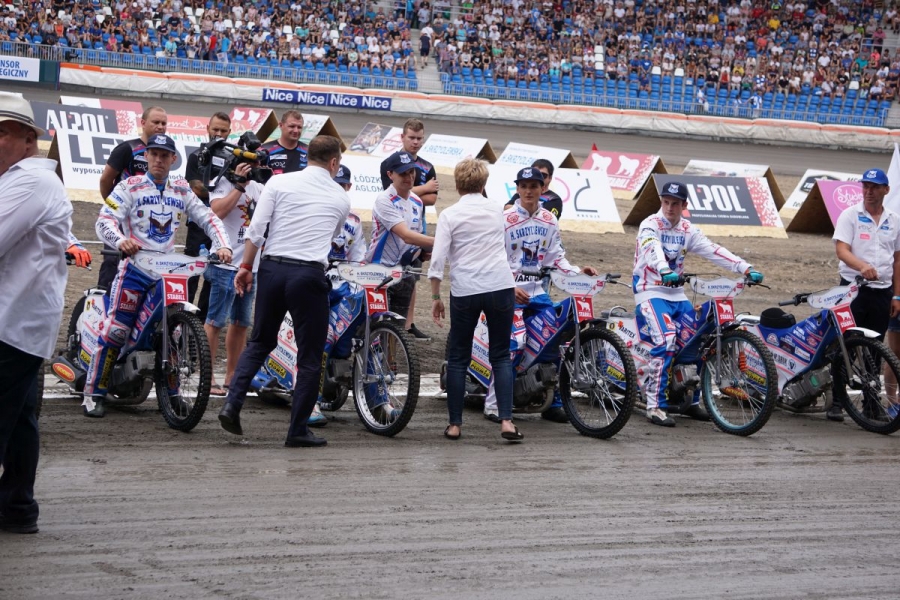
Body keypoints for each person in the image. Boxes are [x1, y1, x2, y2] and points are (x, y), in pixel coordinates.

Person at [83, 134, 233, 418]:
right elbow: (104, 221)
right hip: (135, 269)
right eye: (154, 154)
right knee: (117, 329)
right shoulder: (129, 186)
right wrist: (121, 241)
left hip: (167, 273)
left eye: (165, 155)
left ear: (173, 159)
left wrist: (223, 245)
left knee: (172, 332)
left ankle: (173, 394)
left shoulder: (181, 189)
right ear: (146, 156)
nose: (159, 160)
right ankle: (94, 393)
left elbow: (209, 218)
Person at [217, 135, 350, 448]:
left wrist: (246, 267)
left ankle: (232, 404)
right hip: (308, 274)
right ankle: (297, 429)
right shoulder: (340, 197)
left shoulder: (278, 182)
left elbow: (256, 230)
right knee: (309, 356)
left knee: (260, 341)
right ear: (333, 163)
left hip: (273, 268)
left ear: (307, 156)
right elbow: (332, 236)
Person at [0, 93, 73, 534]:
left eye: (1, 132)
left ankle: (18, 507)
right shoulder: (23, 180)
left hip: (11, 323)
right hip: (21, 323)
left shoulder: (29, 181)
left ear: (29, 140)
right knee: (20, 419)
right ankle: (17, 507)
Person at [633, 181, 763, 427]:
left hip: (677, 294)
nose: (669, 208)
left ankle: (691, 400)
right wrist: (663, 269)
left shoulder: (687, 229)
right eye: (666, 202)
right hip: (649, 292)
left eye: (675, 203)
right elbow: (652, 249)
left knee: (702, 337)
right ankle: (654, 406)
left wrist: (745, 268)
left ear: (684, 205)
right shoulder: (650, 224)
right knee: (667, 339)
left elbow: (713, 250)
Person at [483, 167, 597, 424]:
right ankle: (494, 404)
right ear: (517, 189)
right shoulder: (504, 219)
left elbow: (556, 258)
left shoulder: (549, 220)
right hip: (508, 292)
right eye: (523, 186)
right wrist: (509, 287)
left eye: (533, 186)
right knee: (515, 344)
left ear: (542, 188)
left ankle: (552, 403)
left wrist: (578, 272)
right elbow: (492, 258)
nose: (528, 191)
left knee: (556, 340)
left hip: (537, 292)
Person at [429, 158, 522, 442]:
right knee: (501, 356)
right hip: (500, 285)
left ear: (458, 185)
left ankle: (455, 424)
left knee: (458, 358)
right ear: (483, 184)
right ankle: (506, 421)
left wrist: (435, 295)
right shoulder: (499, 210)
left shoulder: (449, 215)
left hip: (466, 289)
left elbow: (437, 259)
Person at [832, 168, 900, 422]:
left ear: (886, 190)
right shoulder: (850, 215)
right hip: (853, 290)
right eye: (866, 186)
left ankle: (871, 404)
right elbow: (842, 250)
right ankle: (837, 402)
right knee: (846, 344)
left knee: (875, 349)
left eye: (874, 187)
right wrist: (861, 266)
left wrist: (897, 296)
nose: (869, 191)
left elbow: (897, 260)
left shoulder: (894, 219)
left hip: (883, 292)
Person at [310, 164, 367, 427]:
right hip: (316, 282)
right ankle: (311, 402)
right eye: (335, 184)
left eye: (342, 185)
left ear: (349, 187)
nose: (339, 189)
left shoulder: (354, 221)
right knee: (323, 338)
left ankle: (378, 401)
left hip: (343, 285)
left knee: (364, 330)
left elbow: (359, 260)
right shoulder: (315, 212)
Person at [204, 160, 265, 397]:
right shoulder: (220, 183)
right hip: (224, 262)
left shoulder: (260, 187)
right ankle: (208, 378)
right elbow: (216, 213)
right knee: (215, 321)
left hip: (250, 265)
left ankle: (233, 376)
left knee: (241, 322)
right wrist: (239, 186)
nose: (252, 167)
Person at [95, 106, 168, 290]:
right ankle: (104, 299)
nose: (160, 126)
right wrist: (113, 207)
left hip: (146, 221)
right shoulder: (127, 148)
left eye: (163, 123)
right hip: (122, 217)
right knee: (113, 261)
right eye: (156, 122)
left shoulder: (165, 152)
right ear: (143, 123)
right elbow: (105, 179)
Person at [379, 118, 439, 341]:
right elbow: (391, 191)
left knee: (411, 277)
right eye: (411, 138)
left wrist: (416, 192)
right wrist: (424, 187)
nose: (415, 142)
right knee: (387, 290)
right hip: (392, 237)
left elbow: (432, 199)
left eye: (419, 138)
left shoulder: (427, 166)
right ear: (402, 137)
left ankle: (408, 324)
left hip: (417, 225)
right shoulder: (389, 163)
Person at [368, 151, 436, 345]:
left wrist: (423, 252)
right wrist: (441, 242)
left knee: (396, 331)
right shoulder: (384, 200)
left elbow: (416, 237)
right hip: (379, 271)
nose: (409, 177)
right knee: (375, 327)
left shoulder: (417, 201)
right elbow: (405, 234)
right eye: (403, 173)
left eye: (411, 172)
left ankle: (390, 361)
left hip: (404, 272)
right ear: (390, 175)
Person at [184, 111, 233, 320]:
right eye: (215, 129)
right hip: (199, 223)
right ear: (207, 129)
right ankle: (182, 316)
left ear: (229, 132)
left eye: (223, 130)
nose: (218, 134)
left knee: (214, 274)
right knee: (192, 272)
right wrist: (224, 190)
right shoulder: (197, 156)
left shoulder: (232, 158)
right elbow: (196, 188)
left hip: (224, 224)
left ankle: (203, 321)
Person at [260, 110, 308, 175]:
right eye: (292, 126)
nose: (296, 131)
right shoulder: (265, 150)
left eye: (299, 127)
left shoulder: (308, 151)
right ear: (280, 125)